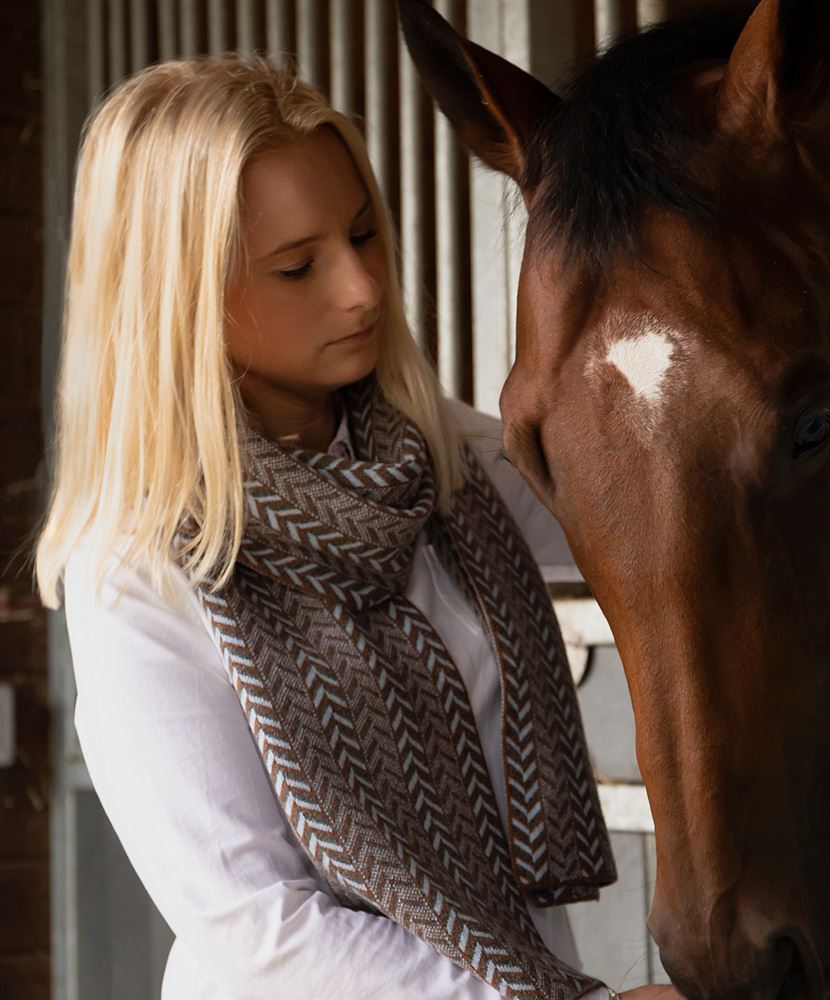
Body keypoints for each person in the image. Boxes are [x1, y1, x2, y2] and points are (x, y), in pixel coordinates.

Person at [33, 54, 675, 1000]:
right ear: (179, 299)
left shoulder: (454, 466)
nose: (364, 288)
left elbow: (673, 507)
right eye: (299, 267)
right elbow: (256, 929)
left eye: (364, 234)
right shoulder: (135, 572)